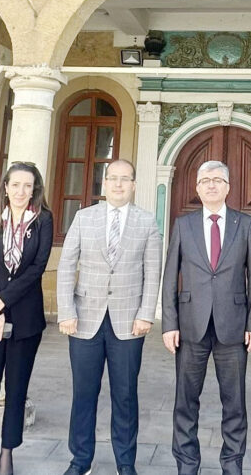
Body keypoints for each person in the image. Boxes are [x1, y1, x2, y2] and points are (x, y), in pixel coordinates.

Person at [57, 159, 163, 475]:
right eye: (113, 178)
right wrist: (66, 311)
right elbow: (66, 267)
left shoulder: (147, 222)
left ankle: (125, 463)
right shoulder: (83, 218)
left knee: (125, 396)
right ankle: (80, 461)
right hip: (84, 320)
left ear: (133, 184)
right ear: (104, 183)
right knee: (84, 394)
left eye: (125, 179)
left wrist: (146, 314)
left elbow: (152, 271)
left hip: (129, 323)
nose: (118, 184)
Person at [161, 160, 251, 475]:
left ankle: (232, 464)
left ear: (228, 187)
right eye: (205, 180)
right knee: (185, 402)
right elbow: (170, 277)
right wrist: (169, 324)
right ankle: (187, 464)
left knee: (234, 403)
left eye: (218, 180)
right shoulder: (184, 224)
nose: (211, 185)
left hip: (233, 328)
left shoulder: (245, 225)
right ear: (196, 187)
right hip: (190, 325)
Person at [0, 162, 54, 475]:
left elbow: (37, 268)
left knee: (16, 390)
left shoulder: (43, 221)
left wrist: (4, 301)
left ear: (35, 190)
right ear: (5, 187)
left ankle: (7, 453)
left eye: (27, 186)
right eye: (15, 185)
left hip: (25, 321)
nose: (21, 192)